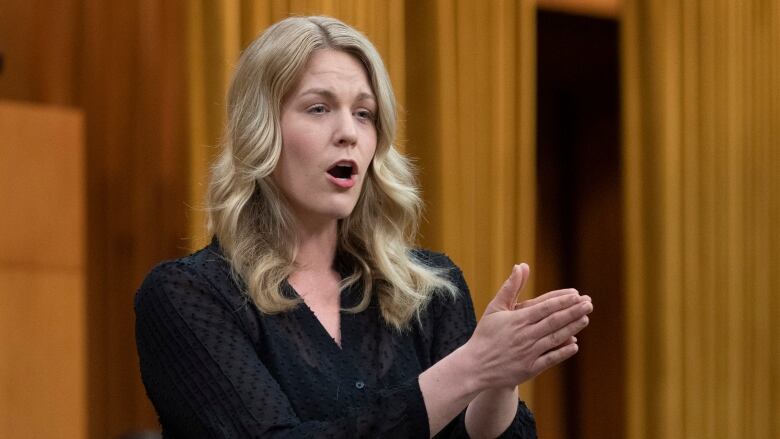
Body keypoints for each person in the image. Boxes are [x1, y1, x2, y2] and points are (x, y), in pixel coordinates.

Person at [135, 16, 593, 438]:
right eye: (318, 109)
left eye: (364, 113)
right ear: (261, 130)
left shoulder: (430, 290)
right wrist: (470, 367)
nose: (349, 133)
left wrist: (498, 379)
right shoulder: (186, 297)